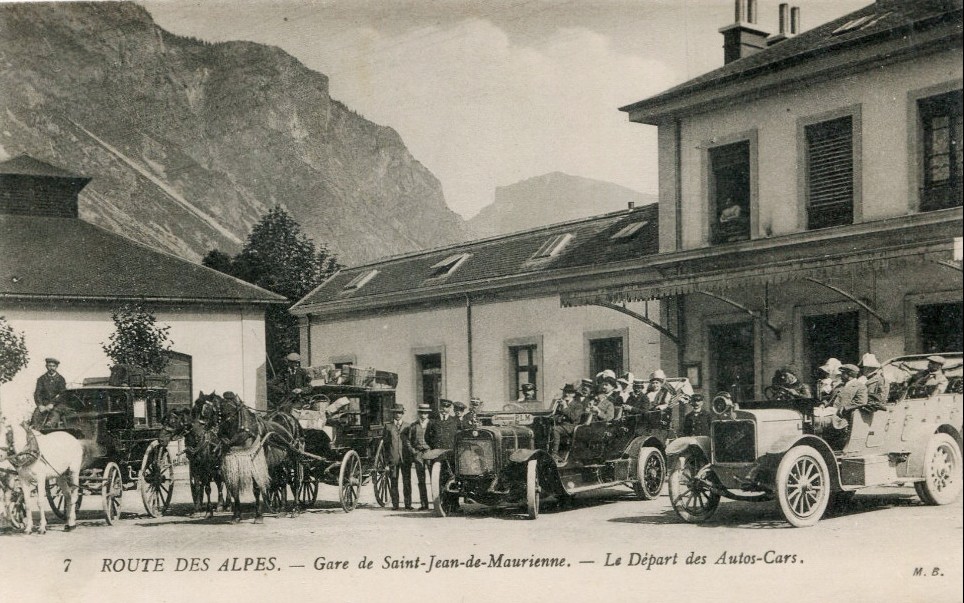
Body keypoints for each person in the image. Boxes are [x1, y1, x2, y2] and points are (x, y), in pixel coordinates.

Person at [382, 404, 412, 510]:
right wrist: (386, 461)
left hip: (405, 458)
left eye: (400, 413)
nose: (398, 415)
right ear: (393, 414)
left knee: (407, 481)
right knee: (394, 481)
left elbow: (410, 442)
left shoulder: (408, 426)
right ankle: (395, 504)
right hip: (393, 459)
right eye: (396, 413)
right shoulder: (388, 426)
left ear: (402, 414)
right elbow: (385, 445)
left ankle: (408, 504)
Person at [406, 404, 433, 510]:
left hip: (430, 452)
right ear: (419, 413)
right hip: (418, 454)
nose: (423, 415)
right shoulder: (413, 425)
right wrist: (413, 451)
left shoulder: (432, 424)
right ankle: (424, 504)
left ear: (428, 414)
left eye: (425, 413)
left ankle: (436, 503)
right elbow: (408, 440)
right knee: (421, 479)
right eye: (421, 413)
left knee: (433, 478)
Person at [829, 364, 868, 431]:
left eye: (843, 373)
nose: (841, 375)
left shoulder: (860, 387)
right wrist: (823, 404)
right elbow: (831, 398)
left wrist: (845, 408)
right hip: (831, 414)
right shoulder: (840, 385)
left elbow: (861, 401)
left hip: (844, 418)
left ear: (850, 375)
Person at [550, 384, 582, 461]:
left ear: (574, 394)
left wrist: (565, 407)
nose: (566, 394)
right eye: (565, 392)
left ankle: (554, 453)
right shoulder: (560, 403)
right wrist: (559, 418)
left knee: (555, 429)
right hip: (562, 425)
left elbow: (573, 418)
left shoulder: (578, 405)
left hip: (571, 426)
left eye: (569, 392)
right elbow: (555, 415)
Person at [32, 357, 66, 428]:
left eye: (53, 366)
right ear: (46, 366)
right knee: (36, 414)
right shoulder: (41, 379)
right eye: (49, 366)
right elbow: (37, 393)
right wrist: (40, 405)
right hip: (44, 404)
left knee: (55, 413)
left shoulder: (61, 379)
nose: (51, 368)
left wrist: (52, 404)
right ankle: (35, 428)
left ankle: (49, 427)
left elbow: (62, 394)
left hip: (57, 404)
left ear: (56, 367)